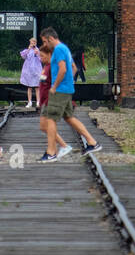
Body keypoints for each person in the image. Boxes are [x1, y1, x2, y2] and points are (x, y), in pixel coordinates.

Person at [37, 27, 99, 163]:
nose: (45, 45)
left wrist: (54, 86)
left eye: (45, 42)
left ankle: (51, 152)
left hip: (59, 90)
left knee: (51, 119)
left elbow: (63, 69)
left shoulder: (58, 49)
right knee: (69, 118)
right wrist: (69, 83)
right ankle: (92, 142)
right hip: (67, 89)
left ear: (51, 38)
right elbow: (74, 68)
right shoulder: (65, 48)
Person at [19, 37, 42, 108]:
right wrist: (29, 49)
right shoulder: (27, 50)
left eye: (34, 42)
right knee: (29, 87)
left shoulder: (38, 51)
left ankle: (38, 102)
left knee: (37, 87)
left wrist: (37, 53)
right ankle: (29, 102)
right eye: (32, 42)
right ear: (30, 43)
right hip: (29, 71)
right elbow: (23, 56)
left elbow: (42, 59)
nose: (33, 44)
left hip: (36, 71)